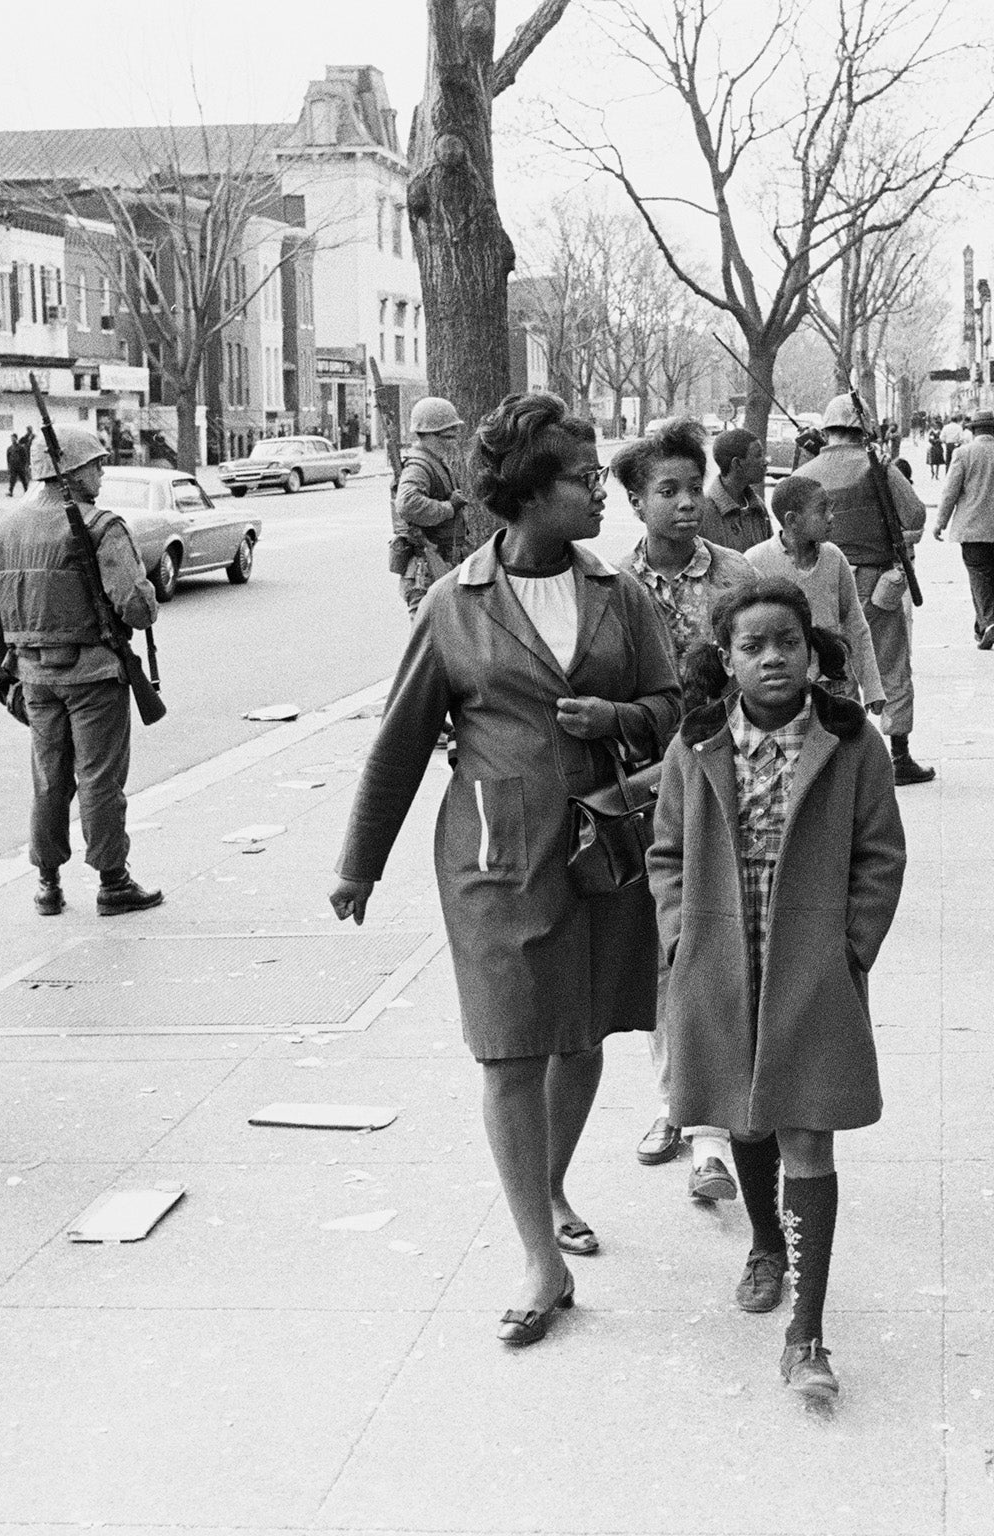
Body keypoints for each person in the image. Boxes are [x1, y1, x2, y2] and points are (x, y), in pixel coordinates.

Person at [331, 390, 682, 1346]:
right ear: (527, 494)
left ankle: (551, 1184)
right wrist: (358, 863)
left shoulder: (622, 593)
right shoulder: (456, 604)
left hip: (604, 848)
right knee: (510, 1045)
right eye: (580, 477)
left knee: (581, 1037)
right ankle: (540, 1253)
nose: (600, 491)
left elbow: (675, 704)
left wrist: (619, 720)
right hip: (494, 852)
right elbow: (402, 742)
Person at [648, 578, 907, 1401]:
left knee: (807, 1129)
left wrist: (851, 950)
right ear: (726, 660)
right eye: (753, 647)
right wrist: (681, 936)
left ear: (811, 649)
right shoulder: (695, 745)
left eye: (786, 643)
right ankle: (766, 1243)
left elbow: (880, 856)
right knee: (743, 1114)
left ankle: (808, 1335)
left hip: (811, 963)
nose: (772, 660)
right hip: (723, 956)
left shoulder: (849, 740)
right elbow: (665, 853)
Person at [615, 416, 752, 1198]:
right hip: (652, 792)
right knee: (670, 947)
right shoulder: (615, 585)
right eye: (667, 490)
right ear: (637, 502)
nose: (686, 503)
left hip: (736, 781)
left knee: (730, 940)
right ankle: (675, 1101)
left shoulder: (734, 573)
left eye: (693, 488)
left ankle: (727, 1102)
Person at [0, 423, 163, 920]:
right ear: (71, 472)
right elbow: (136, 607)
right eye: (95, 464)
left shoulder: (3, 527)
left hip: (34, 677)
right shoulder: (101, 526)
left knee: (49, 780)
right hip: (94, 675)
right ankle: (113, 881)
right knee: (100, 780)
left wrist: (2, 671)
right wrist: (143, 599)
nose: (101, 472)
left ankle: (48, 883)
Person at [786, 393, 934, 786]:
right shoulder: (878, 467)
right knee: (890, 663)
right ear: (864, 427)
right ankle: (899, 755)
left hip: (820, 577)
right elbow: (915, 513)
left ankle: (839, 753)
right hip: (874, 580)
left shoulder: (809, 469)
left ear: (827, 429)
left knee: (831, 665)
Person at [745, 475, 889, 718]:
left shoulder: (834, 558)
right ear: (792, 520)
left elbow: (855, 624)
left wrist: (872, 687)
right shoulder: (755, 562)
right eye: (822, 511)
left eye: (830, 508)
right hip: (785, 688)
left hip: (837, 684)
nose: (831, 517)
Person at [934, 409, 994, 650]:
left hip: (972, 529)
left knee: (978, 576)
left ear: (973, 429)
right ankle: (982, 628)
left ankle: (988, 622)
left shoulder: (962, 454)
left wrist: (940, 523)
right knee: (992, 579)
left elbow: (950, 493)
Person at [393, 397, 467, 617]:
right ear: (431, 435)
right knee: (426, 642)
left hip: (440, 563)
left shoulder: (433, 462)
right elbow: (407, 503)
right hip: (426, 569)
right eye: (449, 436)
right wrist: (449, 508)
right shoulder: (420, 466)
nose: (454, 442)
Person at [701, 427, 774, 551]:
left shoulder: (758, 507)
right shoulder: (703, 513)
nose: (765, 462)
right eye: (758, 455)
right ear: (737, 464)